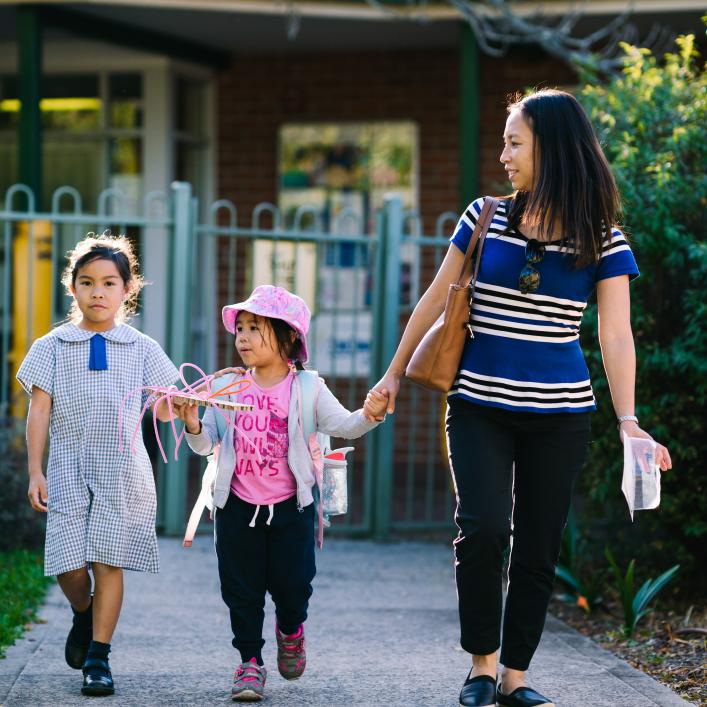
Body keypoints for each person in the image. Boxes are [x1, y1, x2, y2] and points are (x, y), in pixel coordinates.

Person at [369, 89, 672, 707]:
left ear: (551, 148)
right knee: (482, 531)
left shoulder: (602, 240)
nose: (503, 154)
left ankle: (516, 676)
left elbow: (616, 335)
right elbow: (435, 297)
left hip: (561, 416)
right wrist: (393, 373)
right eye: (505, 141)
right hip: (478, 405)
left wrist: (629, 422)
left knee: (538, 543)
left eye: (515, 142)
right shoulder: (484, 216)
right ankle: (481, 666)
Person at [172, 284, 388, 702]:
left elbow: (344, 425)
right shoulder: (228, 386)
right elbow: (205, 445)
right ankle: (250, 664)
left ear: (288, 338)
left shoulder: (308, 388)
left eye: (256, 328)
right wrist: (194, 423)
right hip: (236, 508)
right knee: (241, 590)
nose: (244, 337)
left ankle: (291, 631)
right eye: (241, 329)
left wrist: (370, 415)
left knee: (294, 587)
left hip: (291, 509)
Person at [18, 233, 179, 697]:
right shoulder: (52, 345)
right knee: (68, 564)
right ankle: (83, 614)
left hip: (122, 472)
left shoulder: (142, 347)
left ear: (127, 289)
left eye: (109, 283)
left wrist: (183, 409)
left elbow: (164, 406)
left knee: (108, 561)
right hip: (68, 467)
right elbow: (40, 410)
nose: (98, 292)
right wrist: (36, 470)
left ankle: (98, 659)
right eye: (87, 283)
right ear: (73, 288)